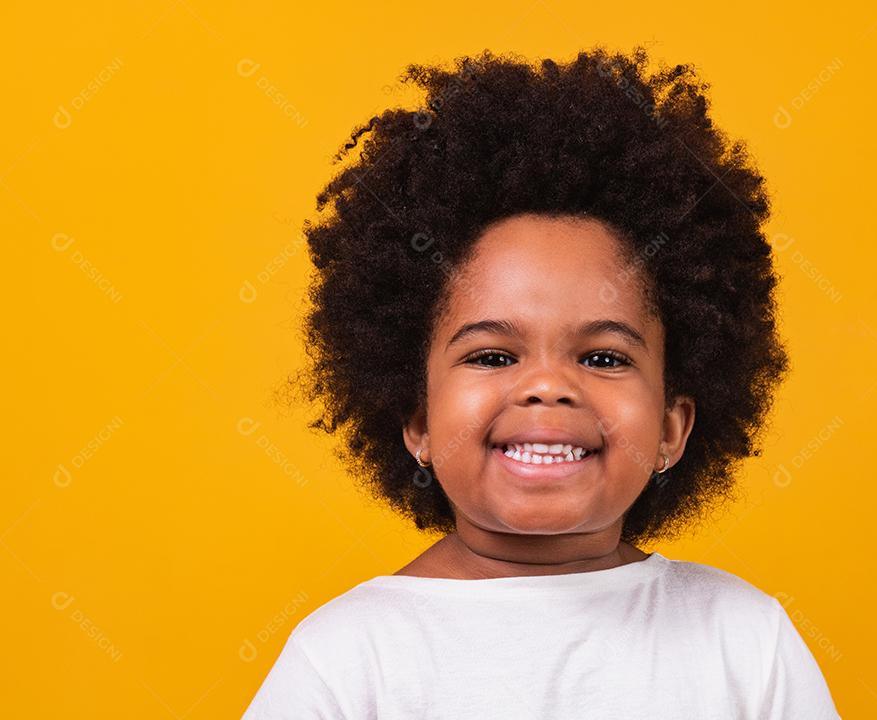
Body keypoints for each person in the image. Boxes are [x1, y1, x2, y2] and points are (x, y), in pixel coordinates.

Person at [242, 45, 841, 719]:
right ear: (419, 423)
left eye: (604, 358)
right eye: (494, 356)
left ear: (672, 429)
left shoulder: (746, 643)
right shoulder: (347, 659)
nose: (548, 386)